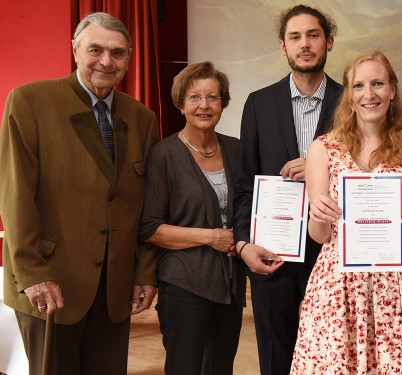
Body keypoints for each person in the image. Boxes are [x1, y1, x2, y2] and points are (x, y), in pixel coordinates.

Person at [0, 12, 158, 375]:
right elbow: (15, 194)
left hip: (114, 292)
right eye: (96, 50)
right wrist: (32, 274)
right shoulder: (29, 102)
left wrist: (145, 273)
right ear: (75, 50)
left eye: (118, 53)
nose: (106, 61)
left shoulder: (141, 118)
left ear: (129, 59)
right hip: (50, 285)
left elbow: (147, 204)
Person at [290, 50, 402, 374]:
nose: (369, 94)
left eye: (378, 83)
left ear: (392, 90)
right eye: (359, 86)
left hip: (398, 285)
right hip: (337, 286)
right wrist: (318, 215)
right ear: (349, 94)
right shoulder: (323, 148)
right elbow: (320, 237)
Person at [233, 5, 343, 374]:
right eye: (295, 37)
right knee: (276, 360)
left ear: (328, 41)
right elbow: (245, 184)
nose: (305, 44)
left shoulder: (352, 104)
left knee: (332, 357)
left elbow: (369, 180)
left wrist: (318, 175)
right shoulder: (259, 103)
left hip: (334, 253)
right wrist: (244, 243)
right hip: (273, 253)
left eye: (313, 35)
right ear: (283, 46)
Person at [139, 61, 244, 374]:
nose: (204, 105)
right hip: (183, 285)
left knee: (220, 368)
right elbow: (149, 228)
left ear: (223, 103)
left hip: (230, 286)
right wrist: (211, 237)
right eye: (195, 97)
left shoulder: (237, 149)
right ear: (180, 103)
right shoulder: (163, 156)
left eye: (213, 97)